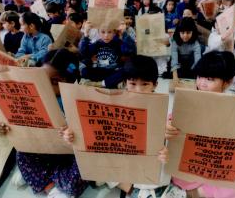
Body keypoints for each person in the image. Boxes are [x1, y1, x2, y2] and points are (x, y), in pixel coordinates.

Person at [164, 50, 235, 198]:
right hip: (191, 175)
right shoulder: (187, 104)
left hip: (223, 178)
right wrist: (166, 128)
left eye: (210, 79)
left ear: (228, 82)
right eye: (200, 76)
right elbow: (170, 123)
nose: (202, 84)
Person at [62, 55, 170, 198]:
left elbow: (164, 144)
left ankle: (140, 188)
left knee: (163, 170)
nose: (138, 90)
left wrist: (166, 150)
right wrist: (71, 135)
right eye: (132, 84)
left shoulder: (160, 108)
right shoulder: (114, 102)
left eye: (145, 84)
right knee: (96, 163)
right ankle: (130, 188)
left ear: (155, 85)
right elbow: (91, 131)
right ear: (125, 83)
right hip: (120, 156)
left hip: (143, 160)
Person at [0, 49, 87, 198]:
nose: (47, 87)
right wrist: (8, 125)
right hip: (43, 149)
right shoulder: (32, 95)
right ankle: (50, 187)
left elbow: (85, 137)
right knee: (21, 155)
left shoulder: (77, 100)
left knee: (82, 171)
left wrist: (73, 134)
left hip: (69, 154)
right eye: (42, 80)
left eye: (54, 82)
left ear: (69, 80)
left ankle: (41, 175)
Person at [78, 21, 136, 89]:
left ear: (114, 33)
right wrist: (86, 34)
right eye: (103, 32)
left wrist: (124, 33)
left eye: (109, 32)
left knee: (124, 72)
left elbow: (129, 51)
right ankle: (110, 83)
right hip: (99, 70)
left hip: (113, 71)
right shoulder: (97, 43)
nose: (106, 35)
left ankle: (102, 84)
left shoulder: (118, 43)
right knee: (84, 70)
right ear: (98, 33)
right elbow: (84, 52)